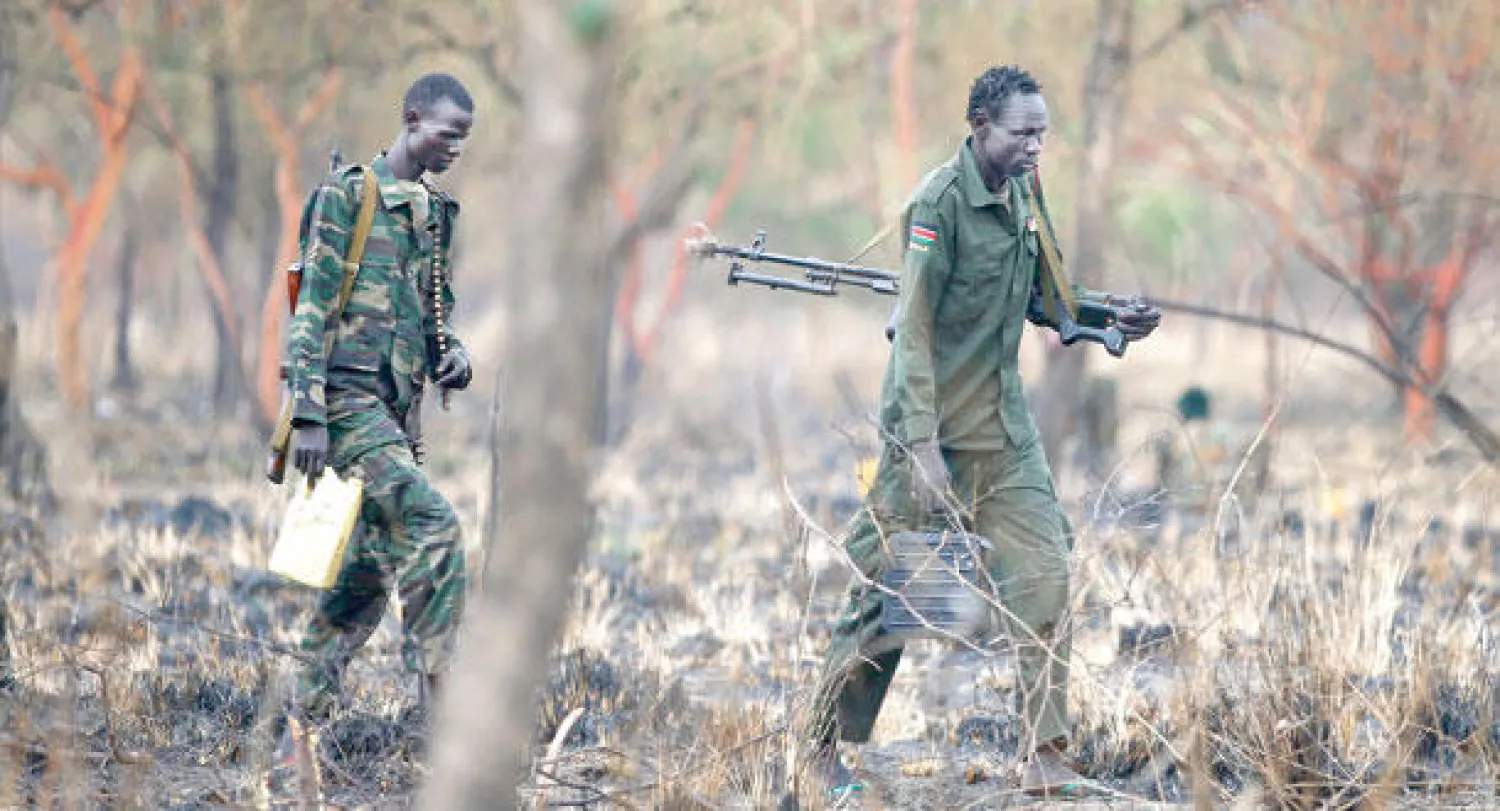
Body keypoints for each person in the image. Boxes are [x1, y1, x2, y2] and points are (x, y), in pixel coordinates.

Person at [803, 64, 1160, 799]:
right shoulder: (936, 204)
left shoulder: (1026, 194)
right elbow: (914, 338)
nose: (1036, 146)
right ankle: (819, 751)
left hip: (1004, 430)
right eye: (1022, 132)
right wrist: (924, 451)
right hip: (929, 433)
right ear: (981, 128)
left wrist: (1108, 317)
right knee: (883, 598)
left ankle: (1045, 750)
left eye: (1043, 134)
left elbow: (1045, 300)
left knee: (1046, 570)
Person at [278, 72, 476, 746]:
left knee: (364, 577)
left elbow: (433, 316)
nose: (456, 148)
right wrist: (307, 412)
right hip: (344, 406)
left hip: (394, 417)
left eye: (464, 140)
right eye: (448, 133)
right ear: (413, 118)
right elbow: (313, 307)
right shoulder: (350, 196)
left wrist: (456, 358)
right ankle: (442, 714)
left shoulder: (436, 214)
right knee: (436, 525)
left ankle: (288, 721)